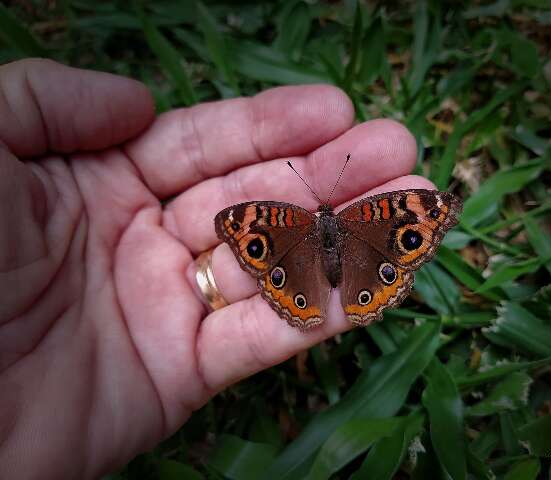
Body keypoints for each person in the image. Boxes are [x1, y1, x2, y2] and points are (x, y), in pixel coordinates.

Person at [0, 58, 434, 479]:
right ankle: (341, 295)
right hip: (347, 263)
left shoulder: (284, 219)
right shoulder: (340, 216)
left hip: (313, 265)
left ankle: (317, 297)